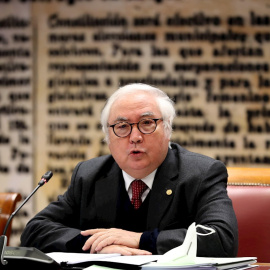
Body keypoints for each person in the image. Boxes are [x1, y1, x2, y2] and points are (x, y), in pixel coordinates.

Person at [20, 83, 238, 257]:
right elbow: (35, 230)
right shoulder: (89, 175)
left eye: (146, 123)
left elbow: (222, 238)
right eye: (122, 127)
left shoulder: (201, 173)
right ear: (108, 138)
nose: (135, 137)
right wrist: (97, 245)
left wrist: (140, 239)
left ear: (168, 129)